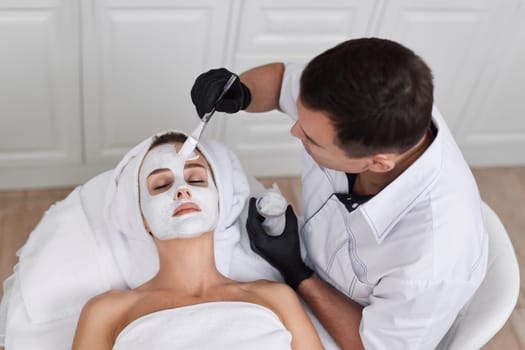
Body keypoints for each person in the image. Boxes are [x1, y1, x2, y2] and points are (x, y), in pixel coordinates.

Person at [190, 38, 488, 349]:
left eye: (311, 139)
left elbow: (369, 345)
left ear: (378, 162)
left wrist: (298, 272)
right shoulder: (361, 97)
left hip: (352, 328)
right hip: (314, 260)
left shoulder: (431, 259)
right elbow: (282, 84)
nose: (295, 131)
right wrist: (242, 92)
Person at [71, 132, 323, 350]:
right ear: (142, 218)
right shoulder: (107, 311)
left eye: (195, 179)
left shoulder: (275, 296)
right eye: (161, 185)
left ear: (219, 201)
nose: (182, 189)